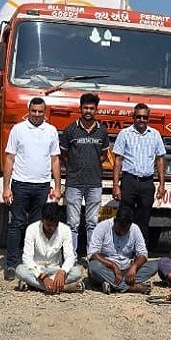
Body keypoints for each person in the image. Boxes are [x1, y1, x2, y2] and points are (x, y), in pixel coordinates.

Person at [1, 97, 62, 281]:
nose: (36, 115)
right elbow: (10, 158)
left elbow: (55, 160)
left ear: (45, 112)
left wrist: (57, 187)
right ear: (28, 111)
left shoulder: (51, 131)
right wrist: (6, 187)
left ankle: (33, 265)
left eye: (40, 112)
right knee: (16, 224)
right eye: (33, 111)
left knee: (36, 227)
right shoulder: (18, 130)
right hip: (20, 184)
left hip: (42, 186)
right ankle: (11, 265)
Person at [60, 92, 110, 255]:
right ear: (80, 109)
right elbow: (64, 155)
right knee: (72, 223)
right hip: (74, 183)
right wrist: (74, 167)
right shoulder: (70, 130)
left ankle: (92, 256)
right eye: (85, 108)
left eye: (92, 108)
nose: (88, 111)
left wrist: (91, 165)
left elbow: (103, 156)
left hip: (94, 184)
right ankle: (71, 256)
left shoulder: (102, 131)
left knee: (92, 222)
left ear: (96, 110)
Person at [111, 102, 166, 244]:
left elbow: (160, 160)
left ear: (149, 118)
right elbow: (118, 160)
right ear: (133, 117)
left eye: (145, 117)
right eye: (138, 117)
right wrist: (116, 185)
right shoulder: (124, 134)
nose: (141, 120)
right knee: (124, 217)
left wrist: (162, 185)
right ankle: (121, 246)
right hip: (129, 181)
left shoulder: (155, 135)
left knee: (144, 218)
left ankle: (140, 251)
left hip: (147, 183)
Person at [15, 203, 84, 293]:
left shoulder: (65, 230)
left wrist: (62, 272)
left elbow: (70, 256)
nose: (52, 228)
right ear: (42, 220)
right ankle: (63, 288)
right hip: (37, 269)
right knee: (20, 270)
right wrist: (43, 277)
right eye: (48, 225)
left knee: (77, 272)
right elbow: (27, 258)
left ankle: (35, 285)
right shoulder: (32, 229)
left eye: (54, 225)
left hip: (55, 269)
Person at [87, 207, 156, 294]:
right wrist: (113, 265)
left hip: (127, 270)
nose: (122, 233)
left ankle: (112, 284)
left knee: (154, 265)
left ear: (130, 225)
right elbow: (92, 254)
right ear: (115, 221)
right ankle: (130, 287)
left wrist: (134, 267)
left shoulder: (135, 229)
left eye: (125, 230)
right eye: (119, 230)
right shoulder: (103, 227)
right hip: (107, 269)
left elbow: (143, 254)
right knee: (94, 266)